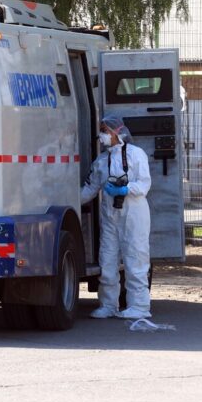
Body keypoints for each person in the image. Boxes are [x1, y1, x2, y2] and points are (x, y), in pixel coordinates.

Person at [81, 116, 152, 319]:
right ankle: (108, 304)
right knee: (107, 260)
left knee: (135, 258)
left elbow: (144, 185)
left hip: (134, 214)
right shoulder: (102, 161)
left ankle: (139, 307)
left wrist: (125, 189)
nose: (101, 135)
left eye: (105, 130)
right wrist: (68, 199)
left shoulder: (136, 155)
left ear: (117, 131)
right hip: (111, 215)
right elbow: (89, 189)